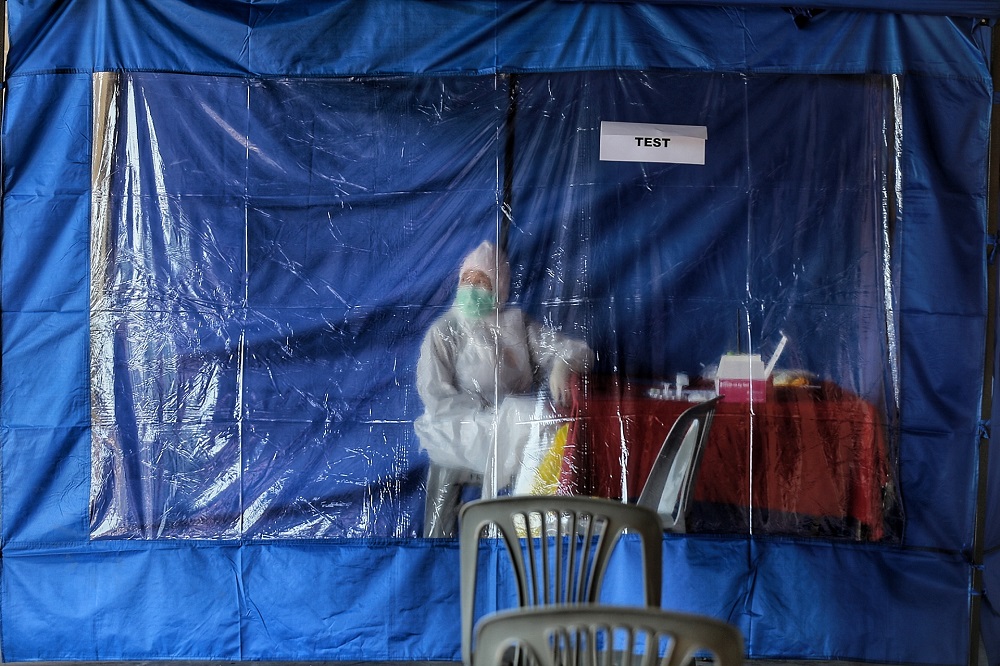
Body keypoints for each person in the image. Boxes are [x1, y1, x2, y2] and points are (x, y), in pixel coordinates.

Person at [415, 241, 593, 537]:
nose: (472, 287)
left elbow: (578, 351)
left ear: (499, 287)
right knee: (528, 417)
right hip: (460, 428)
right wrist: (488, 415)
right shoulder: (445, 331)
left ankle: (529, 530)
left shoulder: (517, 326)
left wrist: (563, 365)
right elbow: (436, 396)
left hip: (512, 424)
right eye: (467, 279)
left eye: (481, 281)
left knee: (546, 423)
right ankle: (506, 528)